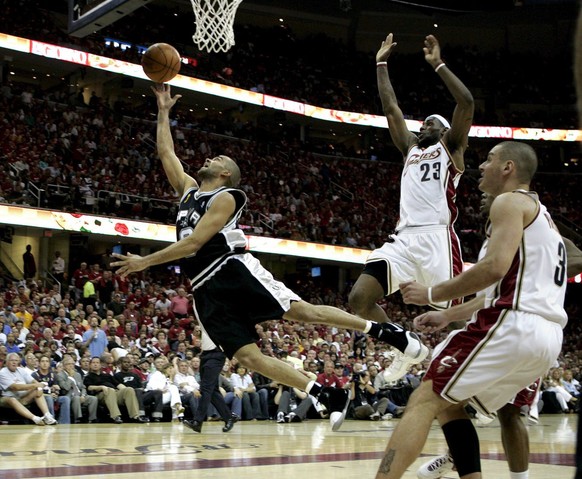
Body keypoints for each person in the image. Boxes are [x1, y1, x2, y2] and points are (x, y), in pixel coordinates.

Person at [111, 83, 401, 430]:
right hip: (204, 288)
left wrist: (144, 262)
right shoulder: (188, 191)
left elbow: (193, 245)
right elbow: (165, 153)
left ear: (225, 174)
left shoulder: (227, 196)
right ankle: (327, 395)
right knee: (249, 357)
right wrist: (162, 112)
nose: (208, 158)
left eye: (217, 160)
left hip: (229, 269)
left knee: (301, 312)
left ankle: (383, 331)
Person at [374, 141, 567, 479]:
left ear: (508, 168)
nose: (482, 165)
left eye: (490, 159)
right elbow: (500, 286)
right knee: (450, 404)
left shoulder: (509, 201)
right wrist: (448, 315)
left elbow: (493, 267)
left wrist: (432, 292)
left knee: (424, 399)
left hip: (515, 325)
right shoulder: (544, 218)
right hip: (546, 340)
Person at [348, 33, 474, 383]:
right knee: (360, 297)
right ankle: (405, 347)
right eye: (422, 124)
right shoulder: (410, 149)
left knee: (460, 316)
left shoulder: (451, 148)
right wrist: (380, 64)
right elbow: (391, 109)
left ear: (445, 130)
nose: (422, 127)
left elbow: (466, 103)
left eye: (430, 123)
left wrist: (439, 66)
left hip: (437, 239)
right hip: (403, 239)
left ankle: (484, 369)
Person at [183, 330, 237, 433]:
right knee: (213, 391)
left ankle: (197, 422)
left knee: (205, 389)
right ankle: (229, 417)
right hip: (205, 355)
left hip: (217, 354)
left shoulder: (222, 319)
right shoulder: (205, 320)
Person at [83, 356, 148, 424]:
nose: (95, 364)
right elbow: (89, 387)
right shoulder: (88, 376)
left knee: (129, 389)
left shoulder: (107, 375)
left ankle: (135, 416)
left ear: (100, 365)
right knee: (110, 390)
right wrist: (102, 387)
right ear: (90, 365)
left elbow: (118, 385)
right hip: (101, 394)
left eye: (97, 363)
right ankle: (116, 416)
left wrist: (126, 390)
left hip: (114, 393)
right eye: (93, 363)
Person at [0, 352, 57, 425]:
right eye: (12, 360)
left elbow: (33, 381)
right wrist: (36, 385)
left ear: (19, 362)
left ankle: (47, 416)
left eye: (16, 361)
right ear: (7, 362)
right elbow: (15, 387)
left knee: (37, 391)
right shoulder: (2, 372)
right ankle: (35, 419)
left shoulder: (20, 370)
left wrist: (39, 387)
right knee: (12, 399)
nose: (14, 362)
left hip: (23, 397)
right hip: (7, 398)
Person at [56, 354, 99, 423]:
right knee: (76, 398)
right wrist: (70, 377)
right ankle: (77, 419)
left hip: (80, 395)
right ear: (64, 366)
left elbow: (83, 387)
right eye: (68, 364)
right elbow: (66, 387)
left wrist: (83, 395)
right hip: (69, 397)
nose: (71, 366)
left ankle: (92, 419)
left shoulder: (77, 374)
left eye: (72, 364)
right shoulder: (60, 375)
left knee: (93, 398)